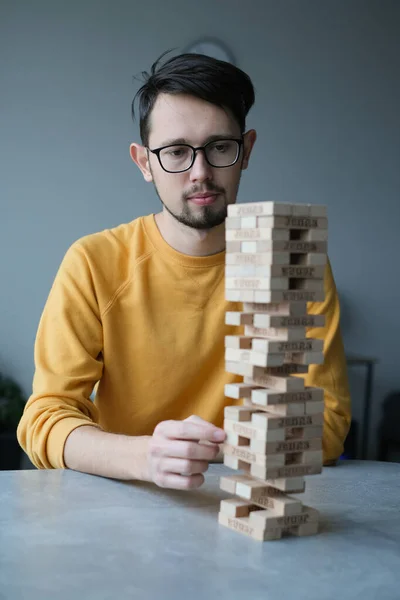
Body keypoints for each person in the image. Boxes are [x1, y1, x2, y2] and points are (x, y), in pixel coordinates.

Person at [17, 51, 351, 489]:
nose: (201, 172)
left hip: (249, 497)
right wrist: (143, 457)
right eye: (176, 151)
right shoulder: (94, 262)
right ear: (144, 162)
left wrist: (209, 448)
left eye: (219, 147)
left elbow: (326, 421)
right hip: (123, 500)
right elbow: (45, 419)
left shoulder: (290, 257)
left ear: (246, 150)